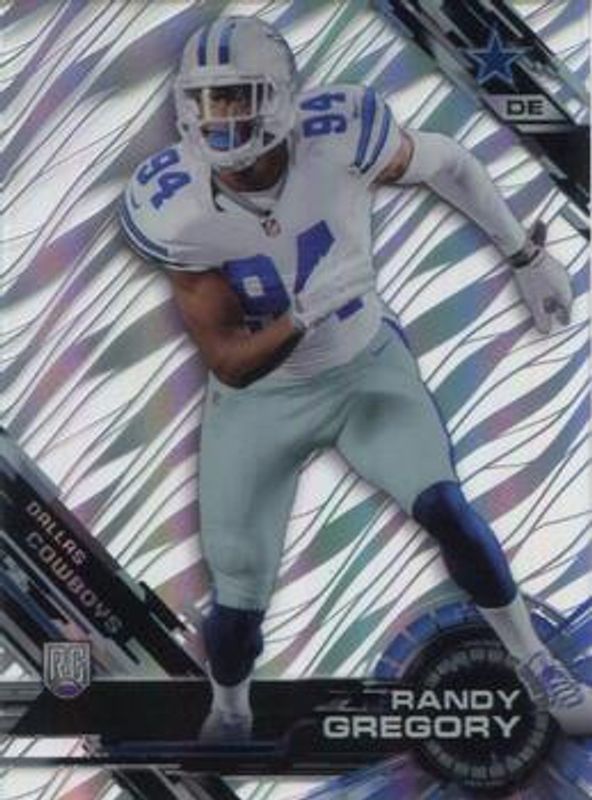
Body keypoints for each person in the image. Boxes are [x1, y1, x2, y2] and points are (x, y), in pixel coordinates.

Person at [120, 15, 591, 740]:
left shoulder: (339, 135)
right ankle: (231, 708)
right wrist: (301, 317)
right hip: (259, 405)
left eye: (237, 95)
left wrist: (524, 258)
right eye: (206, 99)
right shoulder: (172, 204)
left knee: (447, 509)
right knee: (238, 603)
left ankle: (535, 659)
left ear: (279, 96)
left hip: (366, 368)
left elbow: (447, 162)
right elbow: (230, 363)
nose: (220, 117)